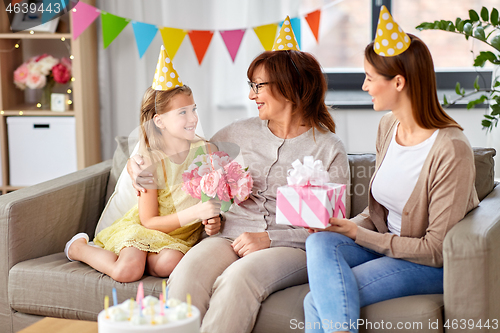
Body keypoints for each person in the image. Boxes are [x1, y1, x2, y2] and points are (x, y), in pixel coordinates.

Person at [128, 18, 350, 333]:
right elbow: (172, 151)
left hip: (291, 248)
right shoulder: (236, 132)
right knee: (188, 271)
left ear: (290, 86)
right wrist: (135, 166)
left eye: (258, 86)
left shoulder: (329, 149)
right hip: (227, 237)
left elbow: (334, 229)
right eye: (251, 86)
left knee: (238, 278)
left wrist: (269, 238)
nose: (251, 96)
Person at [303, 7, 479, 333]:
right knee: (319, 243)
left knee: (315, 302)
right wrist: (346, 227)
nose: (364, 86)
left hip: (425, 263)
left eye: (370, 77)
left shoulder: (450, 148)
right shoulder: (388, 126)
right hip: (387, 243)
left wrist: (359, 234)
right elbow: (379, 214)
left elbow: (435, 249)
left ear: (398, 82)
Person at [64, 47, 222, 283]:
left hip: (178, 238)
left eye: (193, 109)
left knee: (171, 264)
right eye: (182, 113)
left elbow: (213, 198)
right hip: (145, 230)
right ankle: (78, 248)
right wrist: (196, 212)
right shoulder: (149, 160)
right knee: (127, 272)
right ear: (159, 121)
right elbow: (149, 221)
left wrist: (212, 220)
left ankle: (141, 258)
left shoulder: (207, 151)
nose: (193, 118)